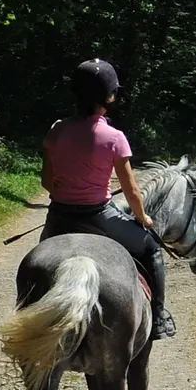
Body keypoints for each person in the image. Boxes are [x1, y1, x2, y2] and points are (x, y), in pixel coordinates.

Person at [39, 58, 175, 340]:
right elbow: (131, 190)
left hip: (59, 217)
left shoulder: (57, 130)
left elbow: (46, 182)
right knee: (150, 249)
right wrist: (143, 217)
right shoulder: (114, 137)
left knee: (39, 266)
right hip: (99, 216)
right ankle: (159, 317)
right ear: (110, 96)